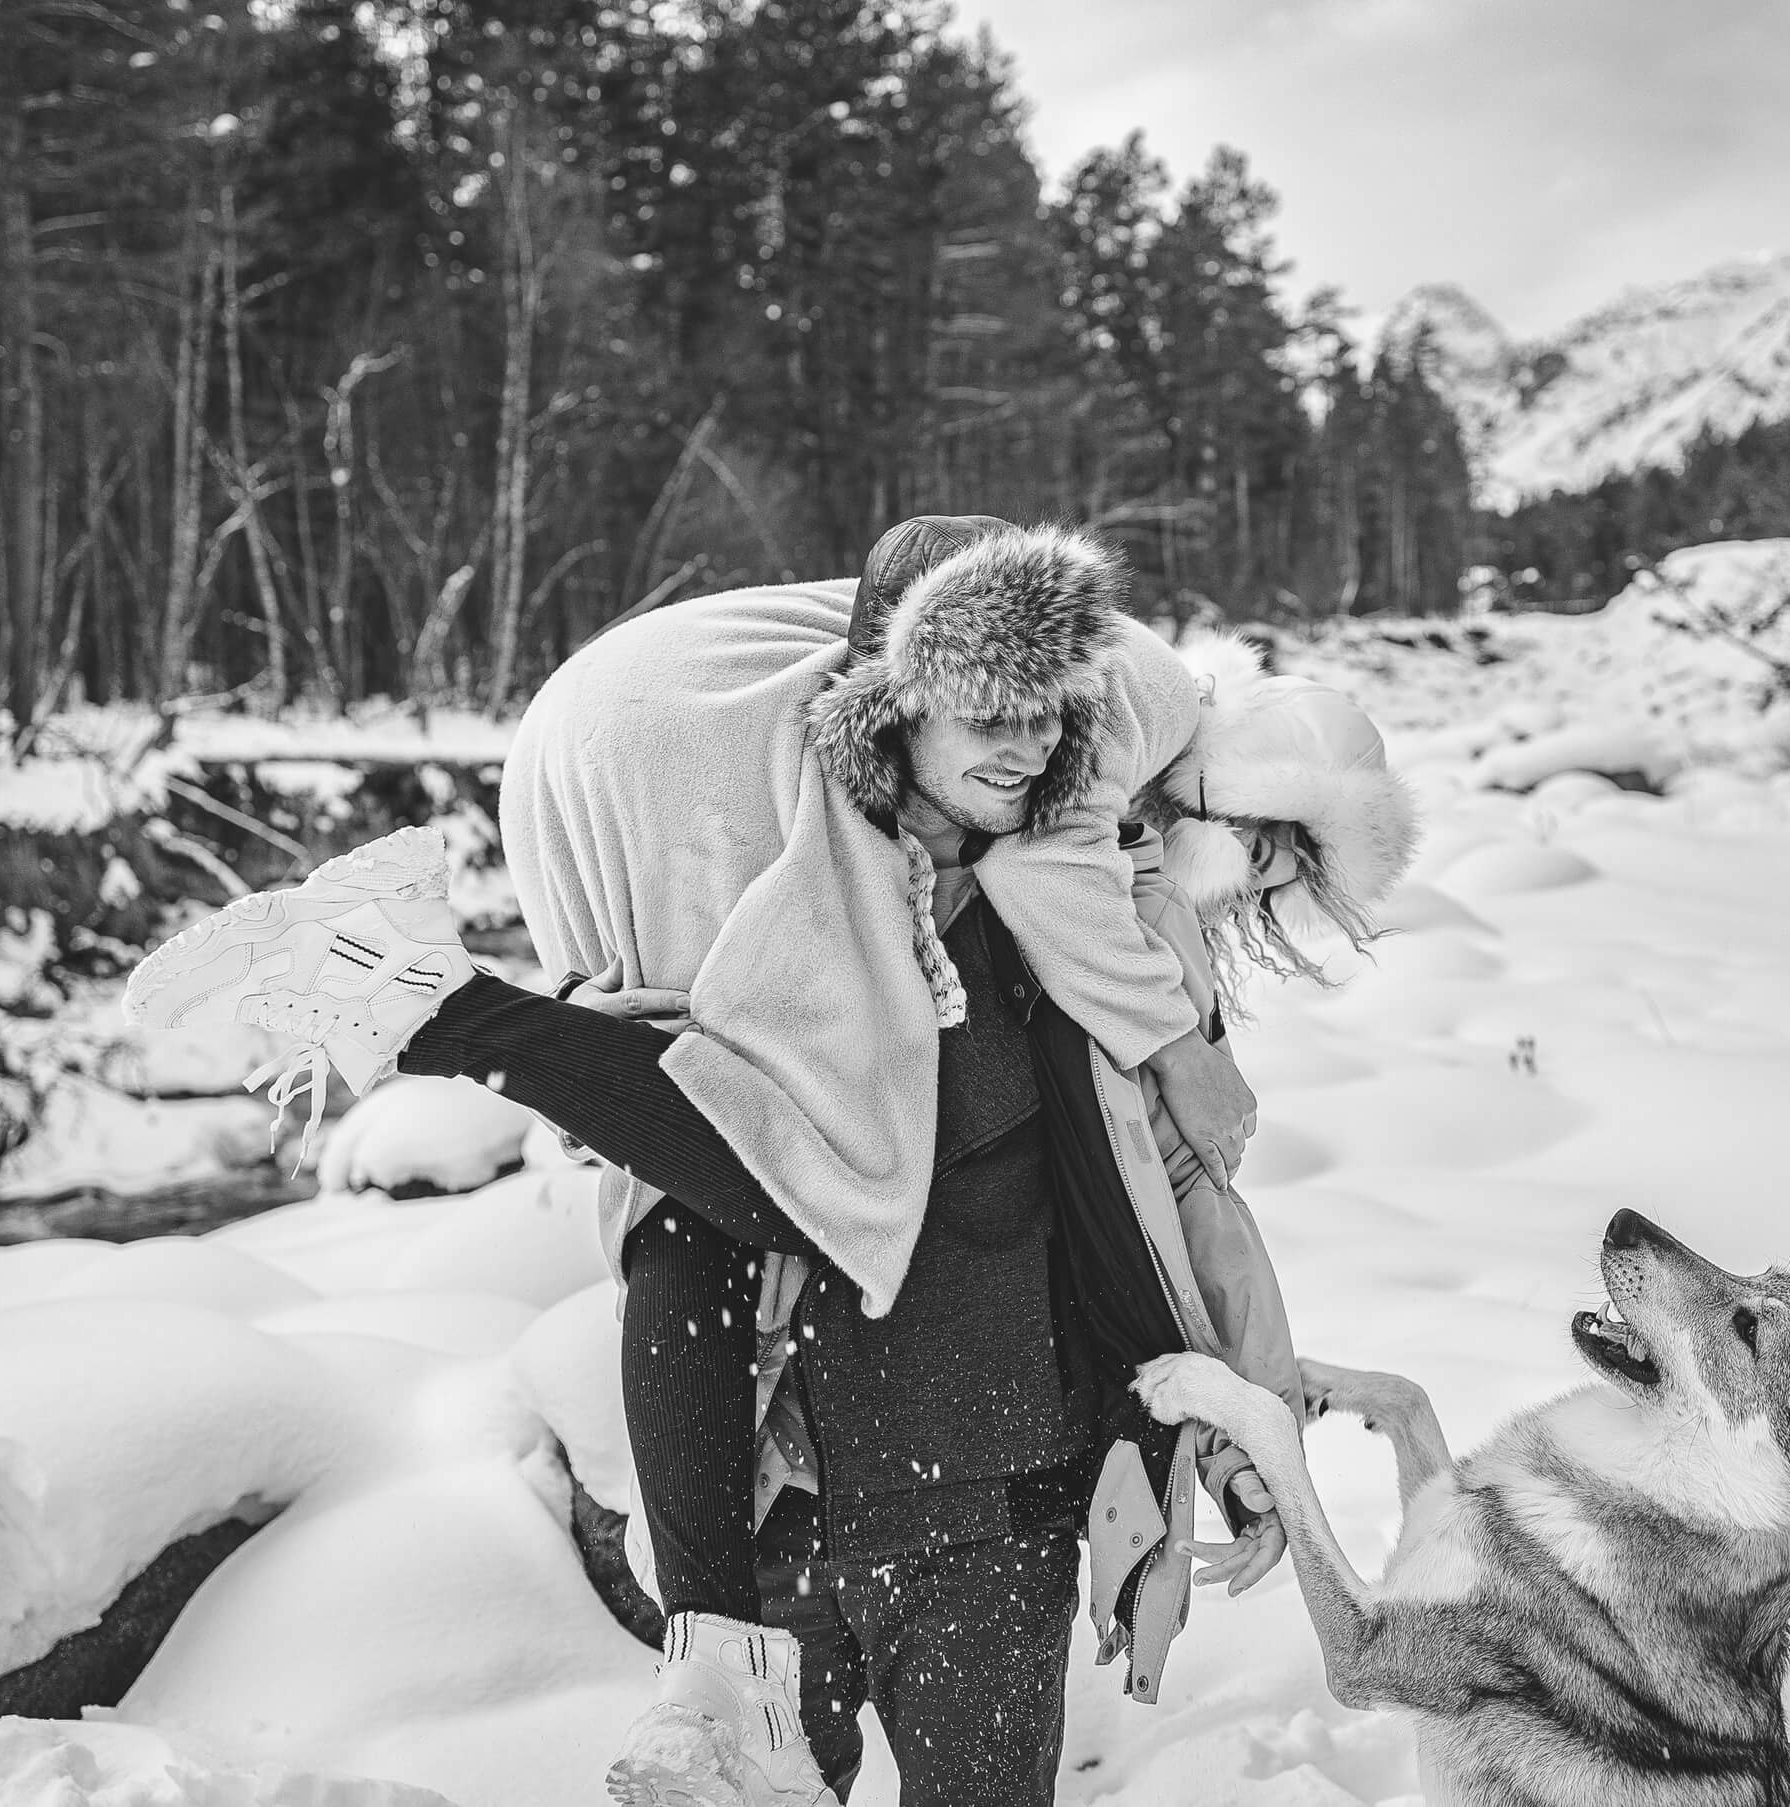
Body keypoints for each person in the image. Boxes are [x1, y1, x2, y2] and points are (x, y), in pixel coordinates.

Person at [124, 519, 1419, 1807]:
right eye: (989, 716)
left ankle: (438, 1004)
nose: (1027, 752)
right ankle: (439, 1006)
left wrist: (1242, 1422)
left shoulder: (1082, 890)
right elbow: (704, 1167)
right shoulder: (894, 860)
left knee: (769, 1160)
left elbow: (1181, 1201)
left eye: (1041, 728)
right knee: (753, 1171)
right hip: (803, 1494)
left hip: (995, 1499)